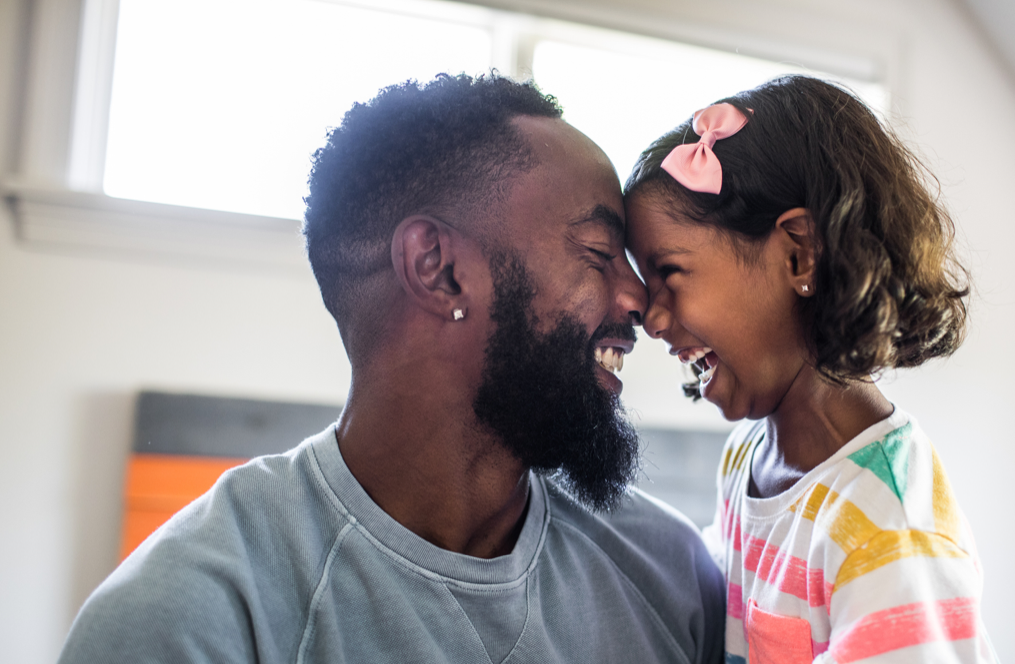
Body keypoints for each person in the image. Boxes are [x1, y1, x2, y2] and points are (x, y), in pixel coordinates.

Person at [57, 74, 725, 663]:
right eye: (597, 250)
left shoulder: (670, 573)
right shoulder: (190, 618)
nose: (640, 300)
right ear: (437, 269)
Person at [624, 75, 997, 663]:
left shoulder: (886, 528)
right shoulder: (750, 454)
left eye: (668, 273)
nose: (651, 318)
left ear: (800, 253)